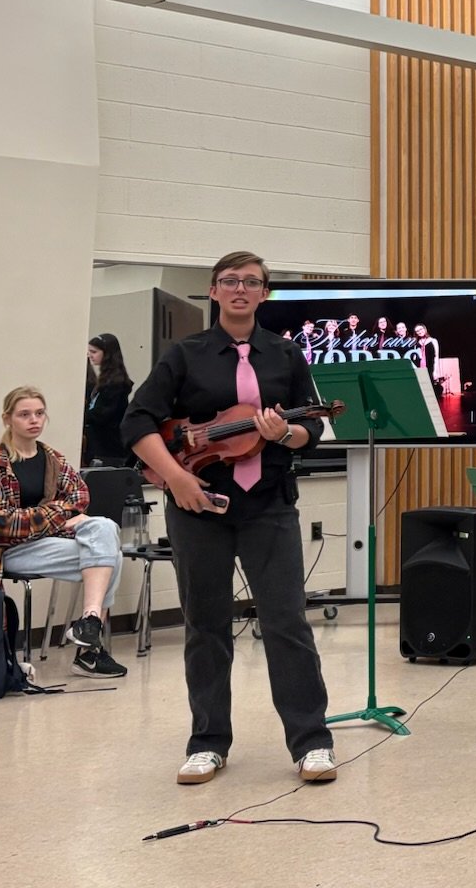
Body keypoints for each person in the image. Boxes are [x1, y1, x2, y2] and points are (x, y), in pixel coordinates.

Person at [124, 251, 337, 787]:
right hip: (199, 505)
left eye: (251, 282)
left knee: (286, 623)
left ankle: (311, 741)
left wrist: (284, 434)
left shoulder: (287, 355)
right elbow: (138, 421)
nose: (240, 289)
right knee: (206, 625)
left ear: (265, 293)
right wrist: (176, 478)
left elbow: (312, 429)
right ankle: (208, 743)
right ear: (214, 291)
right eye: (229, 281)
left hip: (269, 504)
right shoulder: (185, 353)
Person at [0, 386, 127, 678]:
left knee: (104, 529)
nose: (34, 420)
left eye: (39, 413)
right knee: (110, 555)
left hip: (44, 542)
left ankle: (89, 621)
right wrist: (56, 517)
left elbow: (80, 497)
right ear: (7, 419)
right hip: (2, 551)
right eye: (24, 414)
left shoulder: (53, 459)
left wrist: (45, 519)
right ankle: (89, 655)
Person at [83, 334, 134, 468]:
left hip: (108, 447)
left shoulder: (116, 384)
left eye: (94, 352)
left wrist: (82, 415)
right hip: (100, 443)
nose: (90, 355)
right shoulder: (104, 381)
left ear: (107, 354)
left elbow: (102, 415)